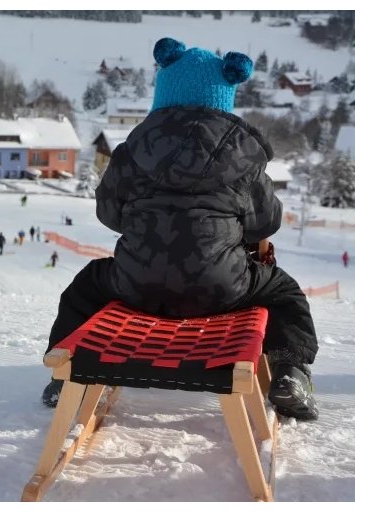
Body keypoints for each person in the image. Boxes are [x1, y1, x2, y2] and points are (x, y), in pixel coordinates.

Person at [41, 38, 319, 421]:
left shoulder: (133, 148)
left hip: (136, 286)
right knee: (285, 294)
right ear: (224, 97)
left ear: (163, 94)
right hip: (223, 290)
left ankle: (64, 379)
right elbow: (264, 223)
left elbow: (110, 215)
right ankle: (290, 373)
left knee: (87, 284)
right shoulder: (243, 154)